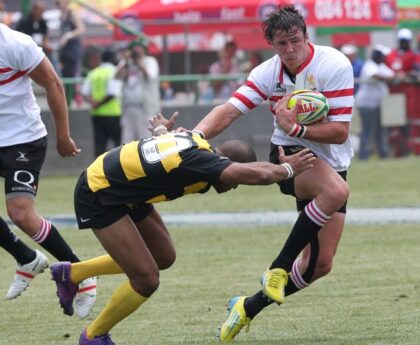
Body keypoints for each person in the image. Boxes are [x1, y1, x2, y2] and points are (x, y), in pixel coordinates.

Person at [49, 112, 315, 345]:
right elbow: (258, 175)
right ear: (228, 163)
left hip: (127, 189)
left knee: (164, 256)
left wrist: (160, 129)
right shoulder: (205, 163)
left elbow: (166, 139)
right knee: (146, 280)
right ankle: (94, 336)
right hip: (99, 190)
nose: (232, 187)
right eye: (234, 182)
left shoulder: (196, 142)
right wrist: (290, 169)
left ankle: (72, 274)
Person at [191, 5, 353, 341]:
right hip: (288, 155)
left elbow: (340, 133)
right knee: (335, 192)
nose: (290, 49)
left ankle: (247, 306)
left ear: (306, 35)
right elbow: (228, 112)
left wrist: (297, 127)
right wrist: (190, 138)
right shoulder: (268, 73)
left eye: (295, 40)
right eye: (282, 44)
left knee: (319, 265)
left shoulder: (335, 65)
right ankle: (278, 268)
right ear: (273, 45)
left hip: (332, 158)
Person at [0, 23, 96, 318]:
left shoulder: (16, 44)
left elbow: (53, 83)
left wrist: (63, 135)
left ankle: (81, 274)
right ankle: (27, 258)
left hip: (23, 140)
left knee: (21, 215)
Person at [115, 38, 161, 143]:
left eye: (139, 48)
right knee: (127, 141)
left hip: (145, 109)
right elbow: (116, 76)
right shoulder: (127, 63)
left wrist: (139, 63)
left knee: (146, 140)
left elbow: (150, 77)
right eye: (134, 49)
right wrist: (125, 61)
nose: (137, 51)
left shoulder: (150, 61)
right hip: (128, 108)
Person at [356, 45, 395, 160]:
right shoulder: (370, 65)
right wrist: (389, 79)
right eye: (382, 55)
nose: (384, 57)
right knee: (368, 131)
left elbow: (392, 75)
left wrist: (393, 77)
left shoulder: (381, 65)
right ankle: (364, 156)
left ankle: (383, 154)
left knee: (382, 131)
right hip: (367, 105)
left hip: (380, 104)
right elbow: (375, 76)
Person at [81, 48, 122, 157]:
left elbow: (84, 92)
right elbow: (112, 93)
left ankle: (98, 171)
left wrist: (94, 103)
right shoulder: (114, 71)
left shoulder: (93, 72)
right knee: (118, 145)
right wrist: (99, 104)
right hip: (113, 113)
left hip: (97, 114)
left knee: (99, 145)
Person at [386, 28, 417, 157]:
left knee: (409, 124)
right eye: (402, 41)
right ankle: (398, 151)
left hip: (410, 95)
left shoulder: (413, 55)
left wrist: (407, 74)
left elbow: (416, 72)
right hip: (393, 94)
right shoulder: (392, 55)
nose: (404, 43)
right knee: (395, 124)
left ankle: (411, 149)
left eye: (406, 41)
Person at [55, 0, 85, 102]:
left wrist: (68, 36)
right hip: (64, 53)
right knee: (65, 75)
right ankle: (68, 99)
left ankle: (76, 97)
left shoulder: (72, 13)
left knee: (73, 75)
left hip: (73, 52)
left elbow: (81, 29)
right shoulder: (61, 15)